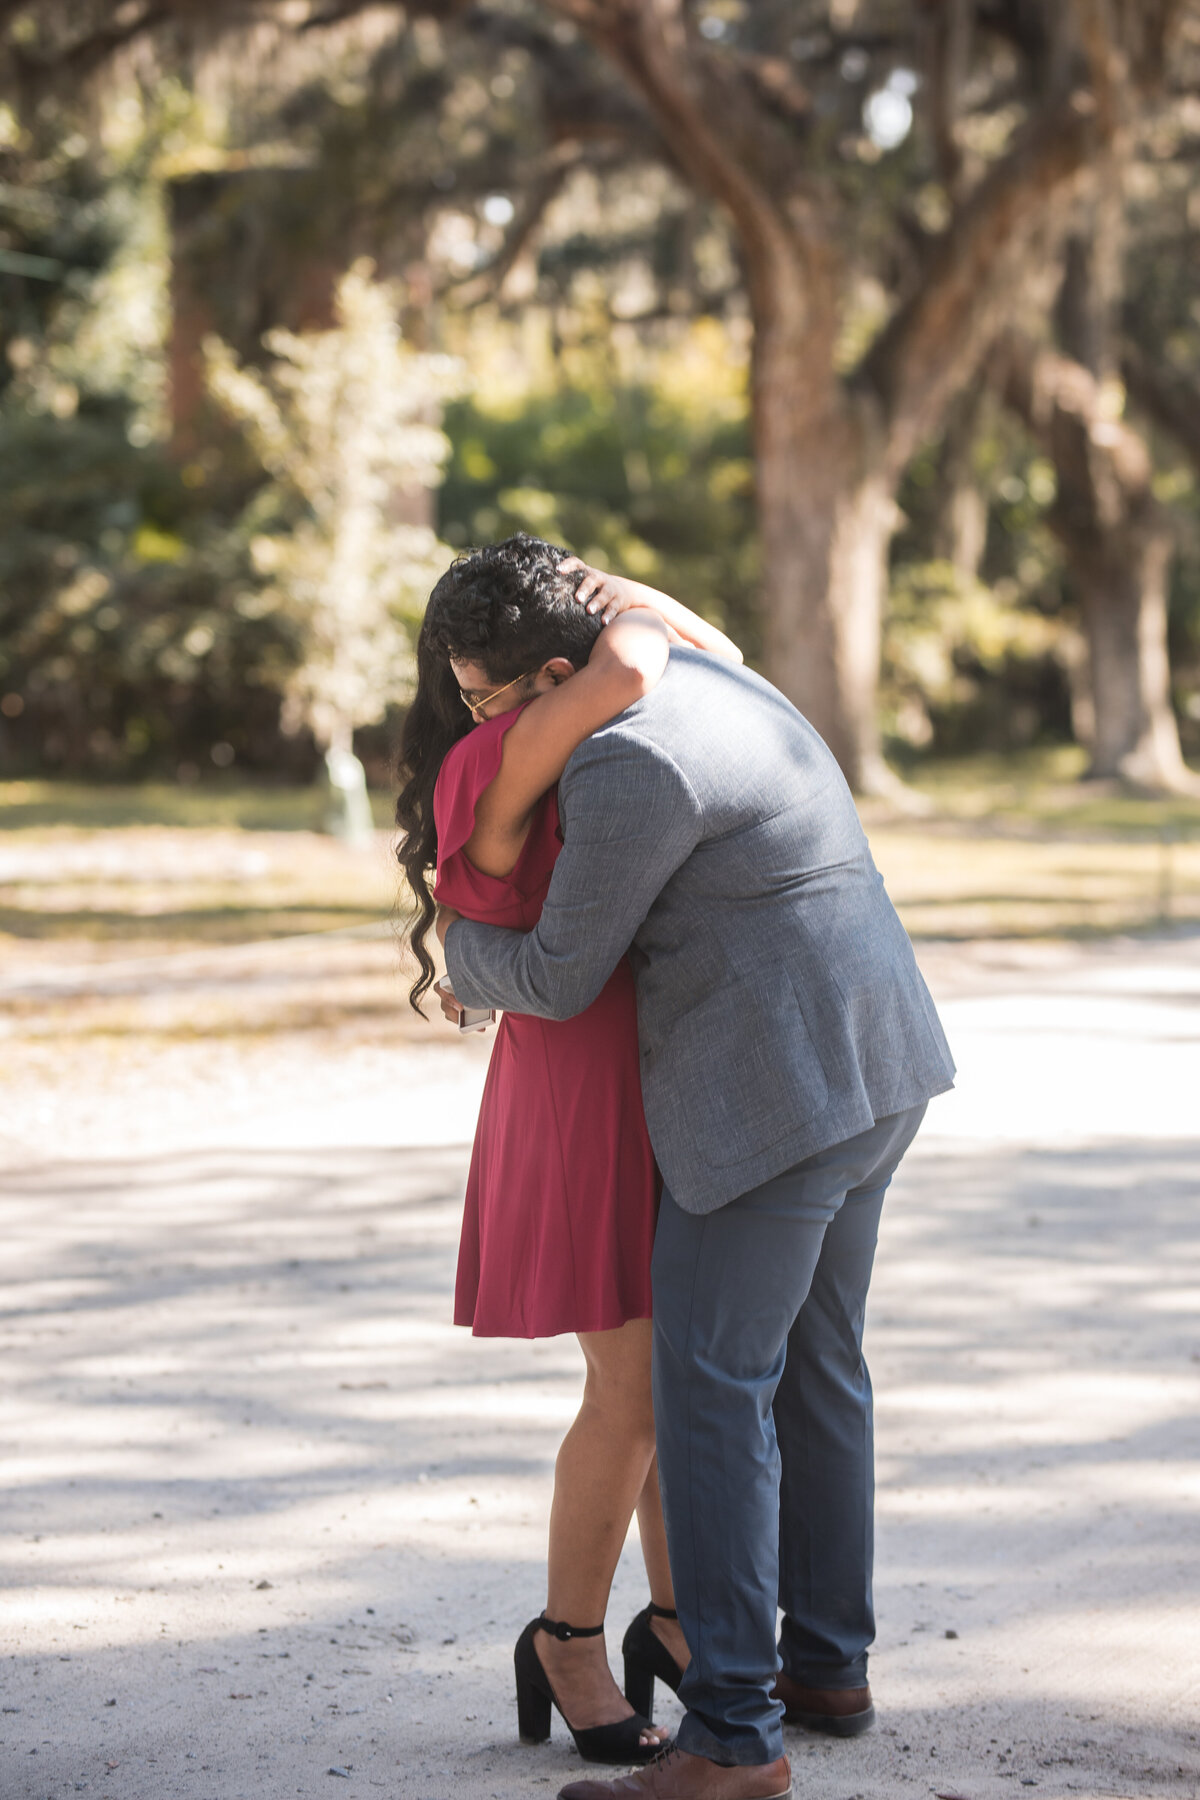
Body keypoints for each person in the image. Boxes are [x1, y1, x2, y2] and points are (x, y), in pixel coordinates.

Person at [437, 550, 957, 1800]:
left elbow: (559, 975)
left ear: (556, 680)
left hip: (772, 1103)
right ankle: (828, 1667)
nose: (490, 729)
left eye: (491, 702)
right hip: (880, 1062)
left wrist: (462, 954)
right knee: (822, 1369)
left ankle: (732, 1737)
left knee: (713, 1392)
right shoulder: (730, 681)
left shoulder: (624, 761)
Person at [395, 534, 741, 1766]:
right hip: (574, 1084)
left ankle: (681, 1623)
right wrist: (617, 601)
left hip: (637, 1068)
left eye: (481, 689)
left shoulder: (556, 721)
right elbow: (655, 663)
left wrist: (593, 603)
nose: (468, 712)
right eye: (468, 692)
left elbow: (721, 659)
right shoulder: (514, 746)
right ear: (561, 666)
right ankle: (569, 1640)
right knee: (634, 1387)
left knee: (668, 1376)